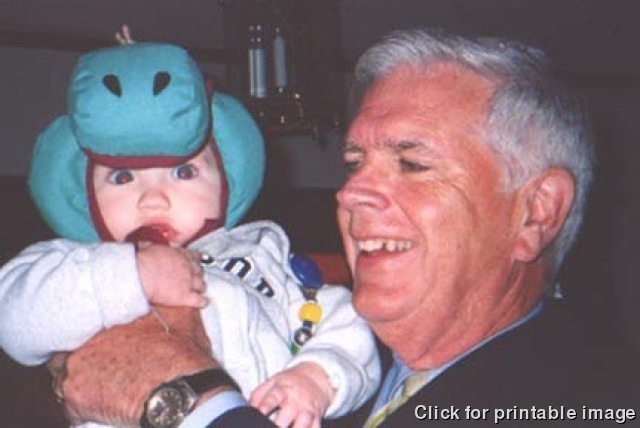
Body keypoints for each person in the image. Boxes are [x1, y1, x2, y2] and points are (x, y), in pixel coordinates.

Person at [35, 27, 637, 427]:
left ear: (536, 212)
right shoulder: (334, 366)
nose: (349, 193)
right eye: (353, 164)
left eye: (412, 163)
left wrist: (178, 396)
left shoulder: (592, 402)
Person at [0, 41, 380, 428]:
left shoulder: (264, 261)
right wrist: (130, 275)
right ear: (86, 196)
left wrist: (314, 377)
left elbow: (346, 323)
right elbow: (13, 317)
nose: (153, 199)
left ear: (224, 182)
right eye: (122, 178)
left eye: (184, 172)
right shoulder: (74, 263)